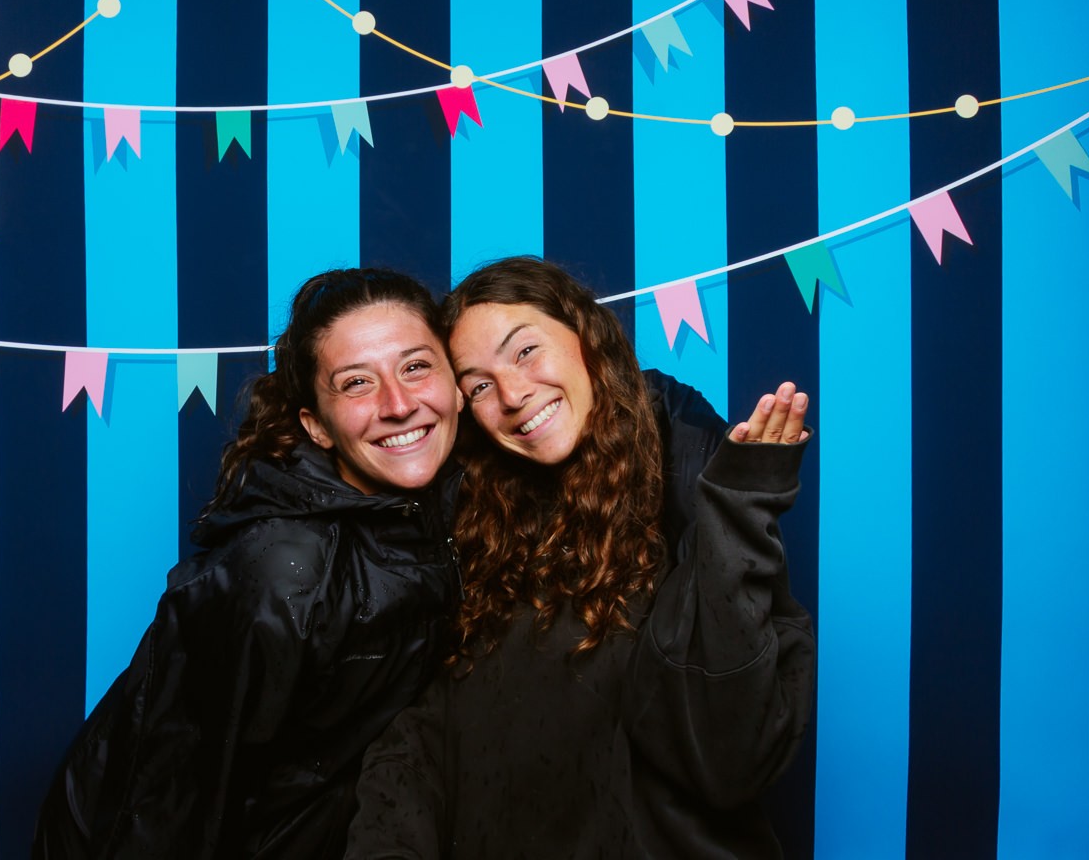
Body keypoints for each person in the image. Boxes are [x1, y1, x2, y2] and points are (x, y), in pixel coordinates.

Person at [347, 256, 815, 859]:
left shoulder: (682, 489)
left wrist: (736, 516)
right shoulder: (470, 522)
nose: (512, 394)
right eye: (479, 385)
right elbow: (422, 729)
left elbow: (728, 757)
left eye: (525, 352)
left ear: (585, 335)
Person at [33, 268, 466, 860]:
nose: (398, 404)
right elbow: (169, 795)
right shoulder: (283, 570)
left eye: (415, 367)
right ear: (317, 427)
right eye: (357, 383)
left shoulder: (462, 506)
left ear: (458, 383)